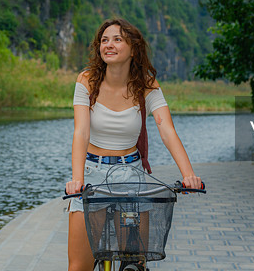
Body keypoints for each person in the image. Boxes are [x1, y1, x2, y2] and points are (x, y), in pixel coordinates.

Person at [65, 18, 203, 271]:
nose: (109, 45)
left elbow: (167, 131)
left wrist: (188, 175)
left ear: (133, 48)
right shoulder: (87, 80)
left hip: (131, 175)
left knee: (133, 264)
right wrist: (77, 179)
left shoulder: (147, 85)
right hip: (92, 174)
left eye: (117, 39)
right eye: (104, 40)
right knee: (79, 266)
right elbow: (81, 131)